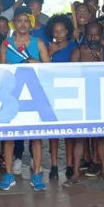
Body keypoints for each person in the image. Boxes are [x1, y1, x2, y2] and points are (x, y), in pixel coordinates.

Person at [0, 6, 49, 192]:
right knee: (10, 136)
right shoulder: (6, 44)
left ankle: (36, 174)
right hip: (13, 94)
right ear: (14, 23)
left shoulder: (39, 43)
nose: (23, 24)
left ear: (31, 23)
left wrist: (36, 63)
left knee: (35, 136)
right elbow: (2, 69)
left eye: (26, 20)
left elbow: (48, 68)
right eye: (19, 20)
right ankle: (9, 174)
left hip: (34, 94)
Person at [65, 21, 104, 187]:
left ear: (102, 36)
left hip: (102, 99)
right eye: (90, 34)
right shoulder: (78, 52)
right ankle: (75, 174)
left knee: (102, 138)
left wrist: (102, 64)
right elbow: (70, 78)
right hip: (82, 100)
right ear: (84, 35)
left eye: (96, 35)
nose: (93, 38)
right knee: (80, 139)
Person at [45, 14, 78, 180]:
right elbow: (43, 69)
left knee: (70, 131)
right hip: (52, 91)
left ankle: (70, 164)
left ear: (67, 31)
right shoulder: (48, 47)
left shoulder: (75, 47)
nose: (58, 34)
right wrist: (49, 54)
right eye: (55, 31)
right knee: (54, 132)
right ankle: (54, 165)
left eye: (61, 31)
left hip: (70, 92)